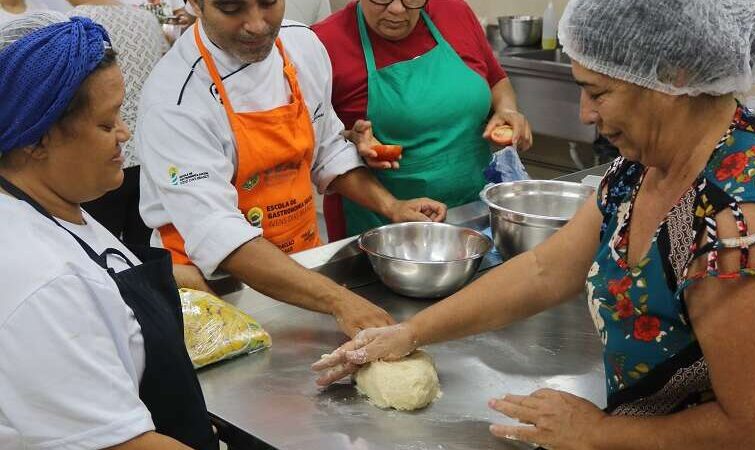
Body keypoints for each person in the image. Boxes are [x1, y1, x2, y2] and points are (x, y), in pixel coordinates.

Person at [313, 1, 755, 448]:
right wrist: (411, 332)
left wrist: (601, 433)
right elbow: (546, 269)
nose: (586, 113)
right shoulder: (642, 166)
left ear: (675, 77)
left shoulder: (747, 217)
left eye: (598, 92)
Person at [136, 0, 446, 337]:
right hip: (212, 290)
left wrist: (392, 206)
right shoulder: (175, 100)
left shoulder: (302, 47)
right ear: (195, 4)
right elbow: (219, 234)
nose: (256, 25)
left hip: (303, 272)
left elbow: (326, 148)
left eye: (269, 2)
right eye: (231, 8)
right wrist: (338, 299)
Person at [0, 12, 216, 449]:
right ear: (35, 139)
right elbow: (124, 445)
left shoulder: (55, 203)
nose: (124, 132)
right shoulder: (43, 281)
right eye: (105, 123)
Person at [312, 0, 533, 240]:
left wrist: (508, 109)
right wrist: (352, 139)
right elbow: (317, 147)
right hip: (382, 233)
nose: (397, 8)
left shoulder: (453, 12)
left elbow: (495, 79)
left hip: (475, 217)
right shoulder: (324, 42)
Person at [69, 0, 169, 247]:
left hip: (104, 153)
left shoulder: (73, 24)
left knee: (102, 250)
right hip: (150, 153)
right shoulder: (147, 19)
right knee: (143, 252)